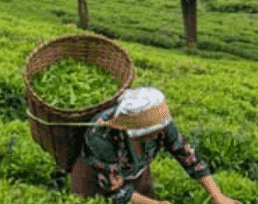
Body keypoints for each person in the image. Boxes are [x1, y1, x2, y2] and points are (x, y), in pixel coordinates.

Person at [70, 87, 241, 204]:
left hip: (138, 177)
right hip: (96, 181)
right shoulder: (101, 136)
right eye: (151, 132)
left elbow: (188, 157)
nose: (159, 135)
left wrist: (218, 196)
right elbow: (114, 188)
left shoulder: (160, 123)